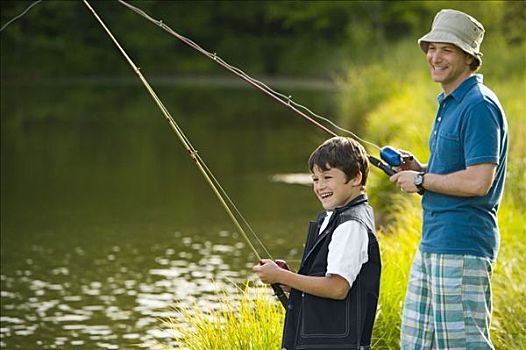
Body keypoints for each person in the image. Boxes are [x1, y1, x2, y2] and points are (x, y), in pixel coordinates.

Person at [390, 9, 508, 350]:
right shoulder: (450, 103)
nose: (434, 57)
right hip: (433, 243)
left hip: (463, 246)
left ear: (469, 58)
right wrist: (421, 169)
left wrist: (423, 182)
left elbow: (478, 182)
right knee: (416, 342)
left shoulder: (479, 106)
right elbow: (458, 172)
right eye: (431, 48)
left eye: (446, 49)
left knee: (463, 344)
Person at [253, 136, 381, 350]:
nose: (320, 186)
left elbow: (337, 287)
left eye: (327, 177)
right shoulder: (332, 216)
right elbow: (323, 278)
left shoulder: (350, 225)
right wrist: (288, 281)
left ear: (356, 178)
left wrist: (282, 276)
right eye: (315, 179)